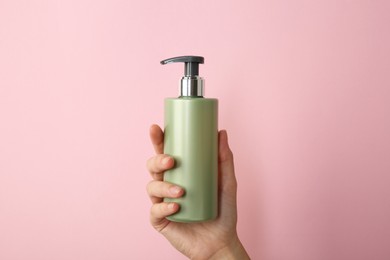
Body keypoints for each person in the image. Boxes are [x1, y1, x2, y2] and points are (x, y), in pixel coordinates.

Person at [146, 124, 250, 259]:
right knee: (167, 163)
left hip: (207, 215)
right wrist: (219, 252)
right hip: (184, 211)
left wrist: (222, 250)